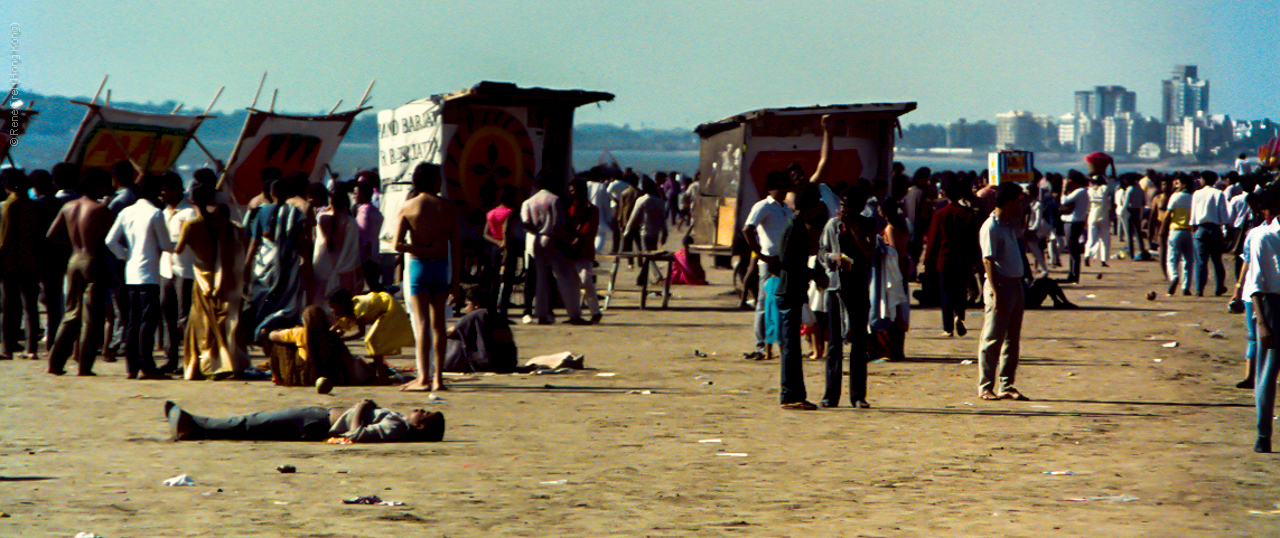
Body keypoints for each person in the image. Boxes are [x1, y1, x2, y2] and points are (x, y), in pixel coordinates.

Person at [395, 162, 461, 392]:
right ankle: (438, 379)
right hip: (441, 267)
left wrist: (423, 250)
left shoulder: (408, 207)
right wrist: (456, 282)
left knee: (422, 324)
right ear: (434, 181)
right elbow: (457, 247)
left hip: (419, 267)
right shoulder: (448, 207)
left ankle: (423, 378)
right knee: (438, 324)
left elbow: (398, 245)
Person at [105, 173, 175, 379]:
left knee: (133, 321)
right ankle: (147, 365)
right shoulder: (156, 214)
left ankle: (131, 366)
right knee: (147, 321)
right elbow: (165, 245)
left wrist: (127, 256)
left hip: (132, 272)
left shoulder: (127, 212)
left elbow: (110, 240)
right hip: (150, 273)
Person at [45, 169, 116, 375]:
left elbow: (51, 235)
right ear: (97, 187)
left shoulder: (68, 206)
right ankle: (84, 366)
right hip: (94, 260)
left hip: (74, 260)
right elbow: (109, 238)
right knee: (92, 318)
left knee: (71, 314)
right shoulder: (99, 209)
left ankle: (55, 363)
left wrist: (73, 245)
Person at [176, 182, 249, 380]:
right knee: (222, 320)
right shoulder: (221, 223)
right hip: (219, 273)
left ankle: (206, 364)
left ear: (191, 200)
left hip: (201, 274)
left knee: (202, 322)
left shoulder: (192, 224)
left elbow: (178, 249)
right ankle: (226, 361)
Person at [819, 182, 874, 408]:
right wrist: (833, 257)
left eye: (848, 207)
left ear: (859, 208)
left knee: (859, 343)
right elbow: (822, 252)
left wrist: (852, 228)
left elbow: (869, 252)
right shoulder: (832, 225)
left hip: (859, 287)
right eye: (842, 206)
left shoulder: (867, 224)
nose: (843, 210)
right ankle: (831, 394)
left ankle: (858, 395)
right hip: (837, 288)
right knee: (834, 344)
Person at [163, 399, 444, 443]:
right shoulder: (397, 422)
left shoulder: (396, 427)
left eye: (424, 413)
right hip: (316, 418)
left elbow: (357, 434)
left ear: (420, 426)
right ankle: (198, 424)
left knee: (254, 422)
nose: (418, 409)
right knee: (256, 422)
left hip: (317, 423)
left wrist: (362, 405)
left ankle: (196, 426)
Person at [776, 183, 830, 410]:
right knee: (790, 346)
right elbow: (787, 262)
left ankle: (794, 394)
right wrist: (812, 273)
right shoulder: (794, 227)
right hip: (789, 290)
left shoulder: (797, 225)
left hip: (794, 289)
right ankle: (791, 395)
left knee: (793, 346)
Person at [977, 183, 1029, 401]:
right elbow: (987, 260)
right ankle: (985, 386)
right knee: (992, 337)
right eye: (1016, 202)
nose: (1019, 206)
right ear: (1008, 203)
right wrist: (996, 292)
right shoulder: (991, 227)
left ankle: (1007, 384)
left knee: (1011, 339)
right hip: (1001, 285)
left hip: (1015, 284)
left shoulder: (1007, 225)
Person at [521, 171, 588, 326]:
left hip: (532, 242)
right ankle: (547, 312)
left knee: (531, 276)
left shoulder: (528, 202)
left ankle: (527, 311)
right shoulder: (554, 200)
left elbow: (525, 223)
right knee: (551, 277)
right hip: (549, 240)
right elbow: (559, 224)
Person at [244, 179, 307, 344]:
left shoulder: (260, 212)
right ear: (288, 194)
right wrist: (305, 262)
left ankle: (262, 333)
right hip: (288, 265)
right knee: (286, 304)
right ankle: (280, 335)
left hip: (265, 265)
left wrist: (246, 265)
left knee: (263, 300)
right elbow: (302, 242)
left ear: (271, 193)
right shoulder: (296, 213)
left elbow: (254, 243)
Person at [742, 172, 794, 360]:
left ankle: (778, 342)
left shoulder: (785, 208)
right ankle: (761, 345)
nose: (782, 191)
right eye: (778, 187)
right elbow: (748, 229)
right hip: (770, 261)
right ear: (770, 189)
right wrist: (762, 255)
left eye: (784, 187)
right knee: (764, 304)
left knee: (781, 304)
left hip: (785, 261)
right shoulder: (763, 206)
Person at [922, 175, 982, 336]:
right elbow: (973, 238)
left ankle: (947, 327)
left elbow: (933, 239)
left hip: (945, 258)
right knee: (961, 290)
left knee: (946, 292)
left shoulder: (940, 214)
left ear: (946, 194)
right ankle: (959, 316)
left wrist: (928, 260)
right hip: (963, 258)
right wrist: (976, 259)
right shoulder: (968, 213)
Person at [266, 305, 377, 386]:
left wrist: (287, 330)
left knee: (279, 344)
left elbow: (272, 335)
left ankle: (278, 378)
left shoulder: (300, 332)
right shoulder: (330, 335)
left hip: (304, 376)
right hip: (329, 376)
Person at [1246, 188, 1280, 453]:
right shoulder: (1264, 236)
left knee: (1267, 372)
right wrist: (1262, 323)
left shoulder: (1263, 234)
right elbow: (1255, 284)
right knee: (1267, 373)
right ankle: (1263, 433)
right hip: (1271, 305)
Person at [0, 169, 44, 360]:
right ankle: (31, 347)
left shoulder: (9, 205)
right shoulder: (32, 204)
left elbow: (5, 236)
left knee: (9, 305)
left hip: (10, 261)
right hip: (31, 259)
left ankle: (6, 347)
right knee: (30, 306)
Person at [158, 172, 197, 373]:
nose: (161, 195)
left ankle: (189, 359)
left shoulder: (188, 213)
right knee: (168, 316)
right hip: (166, 270)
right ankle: (171, 358)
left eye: (164, 191)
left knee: (185, 317)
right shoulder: (163, 213)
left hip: (185, 270)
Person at [31, 169, 68, 354]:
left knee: (35, 303)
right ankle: (52, 342)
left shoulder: (35, 205)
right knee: (55, 303)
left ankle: (37, 343)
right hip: (58, 257)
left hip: (38, 258)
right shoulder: (60, 205)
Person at [443, 286, 519, 373]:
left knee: (456, 338)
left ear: (476, 303)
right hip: (507, 363)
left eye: (467, 304)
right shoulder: (496, 315)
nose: (466, 309)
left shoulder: (477, 314)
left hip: (486, 363)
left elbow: (449, 333)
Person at [314, 183, 363, 299]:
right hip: (345, 268)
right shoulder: (351, 222)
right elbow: (354, 250)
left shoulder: (321, 218)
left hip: (323, 267)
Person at [565, 179, 603, 324]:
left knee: (586, 280)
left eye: (573, 190)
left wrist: (577, 238)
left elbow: (590, 230)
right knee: (573, 284)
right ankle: (575, 314)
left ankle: (595, 311)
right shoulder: (569, 207)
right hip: (569, 250)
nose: (571, 193)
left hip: (584, 250)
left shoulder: (591, 209)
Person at [1190, 171, 1230, 296]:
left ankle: (1199, 289)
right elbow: (1223, 215)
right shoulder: (1218, 193)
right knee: (1217, 261)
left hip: (1200, 229)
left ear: (1203, 180)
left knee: (1200, 262)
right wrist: (1226, 231)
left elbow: (1193, 216)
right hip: (1215, 229)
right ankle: (1219, 287)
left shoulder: (1197, 194)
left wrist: (1193, 231)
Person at [624, 178, 668, 287]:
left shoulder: (642, 200)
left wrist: (627, 232)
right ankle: (641, 279)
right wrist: (664, 232)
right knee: (649, 256)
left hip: (644, 232)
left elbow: (633, 218)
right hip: (655, 232)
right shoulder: (659, 201)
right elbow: (662, 219)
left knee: (648, 257)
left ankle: (658, 276)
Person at [1163, 175, 1196, 296]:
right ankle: (1185, 286)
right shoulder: (1193, 197)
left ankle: (1174, 276)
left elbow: (1168, 214)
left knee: (1172, 259)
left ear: (1183, 184)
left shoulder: (1176, 196)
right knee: (1188, 260)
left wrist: (1162, 230)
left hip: (1176, 230)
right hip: (1189, 231)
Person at [353, 173, 385, 293]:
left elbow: (363, 236)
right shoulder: (374, 210)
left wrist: (362, 259)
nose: (353, 197)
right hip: (374, 253)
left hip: (366, 256)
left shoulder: (364, 211)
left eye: (356, 194)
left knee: (372, 287)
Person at [1059, 171, 1091, 283]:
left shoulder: (1080, 191)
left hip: (1074, 222)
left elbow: (1064, 201)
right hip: (1076, 221)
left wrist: (1064, 188)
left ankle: (1074, 274)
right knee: (1073, 249)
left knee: (1073, 249)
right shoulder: (1082, 191)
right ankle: (1072, 273)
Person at [1084, 175, 1112, 267]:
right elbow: (1111, 180)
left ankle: (1087, 254)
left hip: (1092, 216)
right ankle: (1103, 260)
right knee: (1105, 239)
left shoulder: (1090, 190)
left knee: (1091, 239)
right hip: (1103, 217)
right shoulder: (1104, 189)